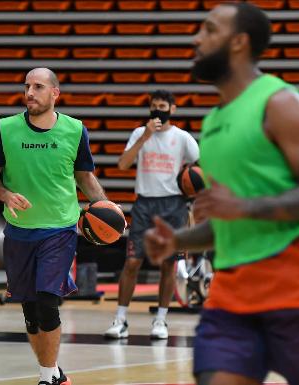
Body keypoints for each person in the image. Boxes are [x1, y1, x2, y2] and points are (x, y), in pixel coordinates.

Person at [144, 3, 299, 385]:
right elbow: (229, 219)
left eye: (208, 29)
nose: (196, 38)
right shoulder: (214, 121)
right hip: (231, 298)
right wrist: (178, 240)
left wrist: (243, 207)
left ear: (239, 42)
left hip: (297, 294)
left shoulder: (281, 103)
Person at [0, 67, 109, 385]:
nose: (29, 92)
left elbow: (85, 178)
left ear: (54, 93)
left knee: (47, 301)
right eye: (27, 86)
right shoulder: (5, 129)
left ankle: (46, 377)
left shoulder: (75, 130)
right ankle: (52, 373)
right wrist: (6, 194)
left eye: (38, 87)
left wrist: (105, 206)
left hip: (60, 229)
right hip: (19, 231)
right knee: (31, 311)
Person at [104, 90, 199, 339]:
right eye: (154, 106)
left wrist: (193, 188)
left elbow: (200, 169)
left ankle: (161, 320)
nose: (158, 110)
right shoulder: (139, 133)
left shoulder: (182, 138)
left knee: (168, 265)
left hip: (174, 205)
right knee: (132, 263)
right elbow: (123, 164)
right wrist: (145, 136)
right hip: (144, 204)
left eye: (163, 105)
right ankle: (120, 319)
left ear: (172, 109)